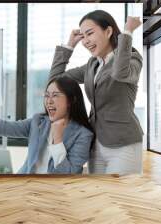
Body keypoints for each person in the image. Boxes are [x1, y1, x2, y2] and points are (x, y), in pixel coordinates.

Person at [49, 10, 143, 175]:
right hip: (96, 144)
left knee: (117, 197)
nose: (85, 41)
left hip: (123, 145)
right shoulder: (92, 65)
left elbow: (120, 73)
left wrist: (127, 32)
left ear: (108, 31)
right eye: (83, 36)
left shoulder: (132, 59)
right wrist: (69, 45)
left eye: (90, 33)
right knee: (98, 195)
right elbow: (55, 82)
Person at [0, 76, 94, 174]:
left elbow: (69, 174)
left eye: (55, 95)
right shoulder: (38, 121)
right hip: (25, 186)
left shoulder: (83, 134)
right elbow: (4, 127)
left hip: (56, 194)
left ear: (71, 100)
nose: (49, 101)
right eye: (46, 96)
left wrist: (57, 140)